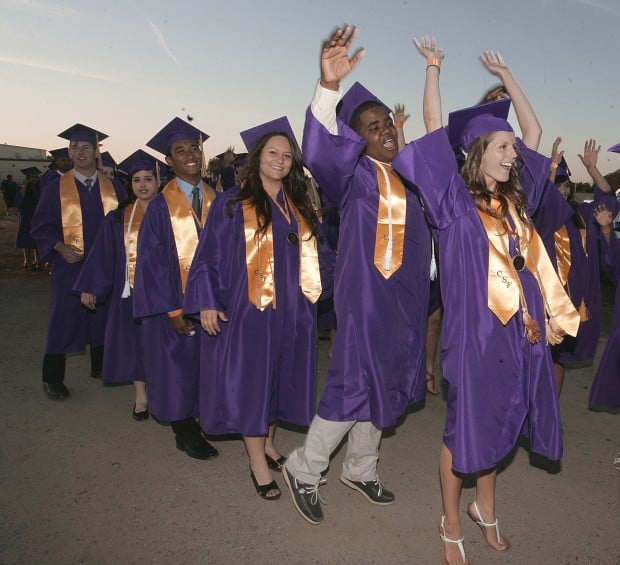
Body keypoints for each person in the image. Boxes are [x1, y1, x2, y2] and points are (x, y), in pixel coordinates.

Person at [392, 38, 581, 564]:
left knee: (501, 424)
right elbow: (433, 127)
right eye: (502, 147)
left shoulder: (517, 203)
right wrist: (433, 68)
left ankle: (486, 509)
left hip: (520, 333)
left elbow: (535, 132)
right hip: (474, 337)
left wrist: (510, 77)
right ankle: (451, 521)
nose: (512, 153)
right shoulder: (451, 201)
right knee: (467, 429)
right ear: (477, 153)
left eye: (512, 149)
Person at [283, 26, 432, 525]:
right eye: (372, 126)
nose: (386, 128)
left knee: (384, 378)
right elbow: (320, 149)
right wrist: (327, 87)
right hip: (367, 295)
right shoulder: (352, 175)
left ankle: (361, 467)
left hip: (406, 296)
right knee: (353, 379)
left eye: (387, 120)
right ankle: (305, 467)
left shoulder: (409, 177)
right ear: (356, 138)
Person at [184, 116, 322, 501]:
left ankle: (269, 444)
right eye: (272, 153)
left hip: (291, 311)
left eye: (286, 155)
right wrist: (207, 300)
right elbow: (208, 256)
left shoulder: (299, 206)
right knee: (253, 383)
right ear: (258, 156)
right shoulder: (232, 202)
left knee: (278, 377)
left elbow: (315, 258)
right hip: (249, 311)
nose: (279, 160)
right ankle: (256, 463)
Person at [132, 117, 219, 460]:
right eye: (179, 151)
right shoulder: (158, 207)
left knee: (205, 366)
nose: (189, 155)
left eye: (193, 148)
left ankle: (205, 420)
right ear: (168, 161)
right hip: (176, 304)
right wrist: (174, 310)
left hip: (212, 303)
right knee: (178, 367)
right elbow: (152, 265)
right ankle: (185, 431)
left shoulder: (220, 199)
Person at [31, 124, 126, 399]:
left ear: (97, 152)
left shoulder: (115, 187)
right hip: (70, 265)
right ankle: (52, 378)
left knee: (104, 316)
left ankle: (100, 366)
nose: (80, 152)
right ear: (69, 152)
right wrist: (59, 247)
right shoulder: (54, 188)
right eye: (75, 147)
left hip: (106, 266)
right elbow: (41, 225)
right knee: (63, 317)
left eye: (86, 147)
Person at [73, 152, 160, 420]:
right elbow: (103, 254)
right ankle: (141, 397)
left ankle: (165, 394)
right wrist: (92, 286)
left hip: (164, 294)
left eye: (148, 179)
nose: (143, 185)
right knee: (135, 343)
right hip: (130, 292)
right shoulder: (118, 217)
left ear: (159, 180)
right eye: (136, 180)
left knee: (161, 345)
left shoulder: (172, 214)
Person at [538, 139, 619, 394]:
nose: (562, 191)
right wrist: (551, 166)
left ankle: (550, 418)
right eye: (557, 185)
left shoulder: (581, 214)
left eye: (565, 185)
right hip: (544, 295)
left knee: (558, 356)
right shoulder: (540, 217)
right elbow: (544, 200)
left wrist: (592, 169)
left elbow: (606, 197)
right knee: (536, 356)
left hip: (572, 297)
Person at [16, 167, 41, 271]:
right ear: (28, 178)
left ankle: (37, 260)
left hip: (38, 216)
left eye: (36, 177)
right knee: (26, 238)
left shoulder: (40, 187)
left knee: (38, 239)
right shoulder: (23, 187)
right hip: (27, 216)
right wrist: (25, 186)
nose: (34, 179)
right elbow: (19, 201)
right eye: (32, 177)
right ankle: (27, 260)